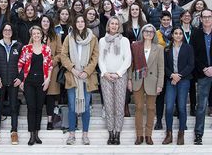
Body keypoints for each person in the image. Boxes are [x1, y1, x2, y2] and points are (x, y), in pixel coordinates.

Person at [61, 14, 99, 145]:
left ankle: (85, 135)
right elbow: (63, 56)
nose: (80, 23)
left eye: (83, 21)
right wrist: (73, 69)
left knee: (86, 107)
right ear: (75, 23)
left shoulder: (93, 38)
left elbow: (95, 57)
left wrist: (87, 71)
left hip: (87, 77)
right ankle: (71, 135)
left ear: (85, 23)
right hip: (73, 76)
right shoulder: (69, 37)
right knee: (72, 107)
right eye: (78, 21)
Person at [0, 23, 22, 145]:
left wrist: (20, 78)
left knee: (13, 107)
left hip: (13, 82)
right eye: (5, 30)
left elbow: (23, 64)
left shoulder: (18, 45)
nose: (7, 31)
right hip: (0, 82)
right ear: (2, 32)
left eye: (10, 30)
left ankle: (14, 132)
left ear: (12, 32)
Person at [98, 16, 131, 145]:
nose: (114, 25)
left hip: (120, 77)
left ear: (119, 26)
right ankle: (110, 132)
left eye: (116, 24)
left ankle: (117, 133)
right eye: (112, 23)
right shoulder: (102, 40)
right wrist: (105, 72)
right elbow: (100, 59)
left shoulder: (124, 41)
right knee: (109, 106)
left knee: (118, 106)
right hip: (106, 77)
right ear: (108, 25)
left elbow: (128, 59)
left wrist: (118, 73)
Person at [18, 25, 52, 145]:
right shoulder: (26, 48)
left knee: (39, 108)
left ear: (41, 35)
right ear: (31, 35)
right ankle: (31, 135)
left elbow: (50, 66)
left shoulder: (46, 49)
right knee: (31, 107)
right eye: (34, 34)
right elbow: (20, 65)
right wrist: (21, 81)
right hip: (29, 82)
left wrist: (48, 80)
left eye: (38, 33)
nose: (36, 35)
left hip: (42, 82)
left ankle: (37, 134)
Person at [130, 24, 164, 145]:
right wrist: (129, 79)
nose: (148, 33)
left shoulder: (159, 48)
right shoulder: (135, 46)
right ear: (142, 33)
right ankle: (139, 135)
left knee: (150, 108)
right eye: (146, 31)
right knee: (138, 107)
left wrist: (160, 84)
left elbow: (161, 68)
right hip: (138, 80)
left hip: (152, 82)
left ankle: (148, 135)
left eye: (151, 31)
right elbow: (131, 65)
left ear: (154, 34)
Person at [162, 26, 194, 145]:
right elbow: (164, 66)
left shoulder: (188, 48)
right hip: (171, 81)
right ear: (172, 35)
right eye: (176, 33)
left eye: (180, 33)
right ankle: (169, 134)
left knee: (181, 107)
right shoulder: (167, 49)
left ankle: (181, 134)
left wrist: (178, 76)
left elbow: (191, 65)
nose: (178, 35)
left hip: (184, 80)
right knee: (169, 107)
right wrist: (172, 75)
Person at [192, 9, 212, 145]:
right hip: (203, 74)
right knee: (202, 106)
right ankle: (198, 134)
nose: (206, 19)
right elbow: (194, 56)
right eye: (204, 17)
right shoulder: (196, 35)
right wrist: (204, 69)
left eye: (209, 17)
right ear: (200, 19)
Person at [39, 15, 62, 130]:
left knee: (50, 96)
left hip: (52, 69)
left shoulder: (56, 36)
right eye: (43, 21)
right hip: (37, 69)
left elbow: (60, 53)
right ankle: (37, 121)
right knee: (38, 94)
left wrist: (52, 62)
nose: (45, 23)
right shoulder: (35, 34)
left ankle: (49, 121)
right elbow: (29, 49)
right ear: (40, 22)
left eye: (48, 21)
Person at [154, 11, 172, 130]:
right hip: (159, 68)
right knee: (160, 97)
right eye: (163, 19)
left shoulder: (175, 32)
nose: (166, 22)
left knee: (171, 97)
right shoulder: (156, 33)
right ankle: (159, 120)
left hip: (172, 67)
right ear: (160, 20)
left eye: (167, 19)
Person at [180, 10, 197, 116]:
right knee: (179, 86)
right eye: (184, 16)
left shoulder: (195, 30)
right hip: (181, 63)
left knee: (192, 87)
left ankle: (192, 107)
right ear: (181, 18)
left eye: (188, 16)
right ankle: (178, 108)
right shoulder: (177, 30)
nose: (187, 17)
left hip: (193, 63)